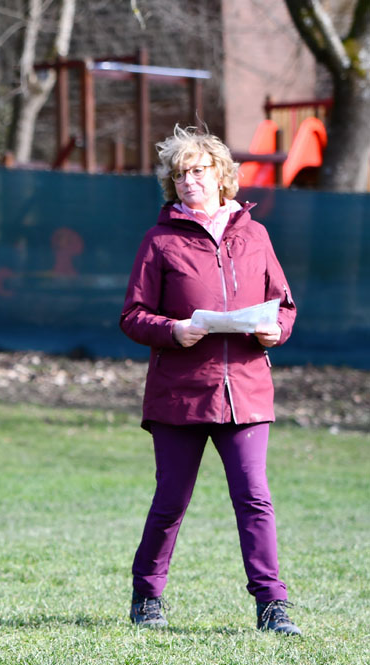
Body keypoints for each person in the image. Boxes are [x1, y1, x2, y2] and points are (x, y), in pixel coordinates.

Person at [120, 126, 300, 635]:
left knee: (255, 498)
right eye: (179, 174)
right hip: (179, 393)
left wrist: (274, 332)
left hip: (245, 389)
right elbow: (133, 316)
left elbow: (284, 305)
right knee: (171, 499)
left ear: (222, 176)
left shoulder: (256, 235)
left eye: (198, 170)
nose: (188, 181)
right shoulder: (159, 240)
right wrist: (176, 330)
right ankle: (147, 597)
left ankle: (272, 606)